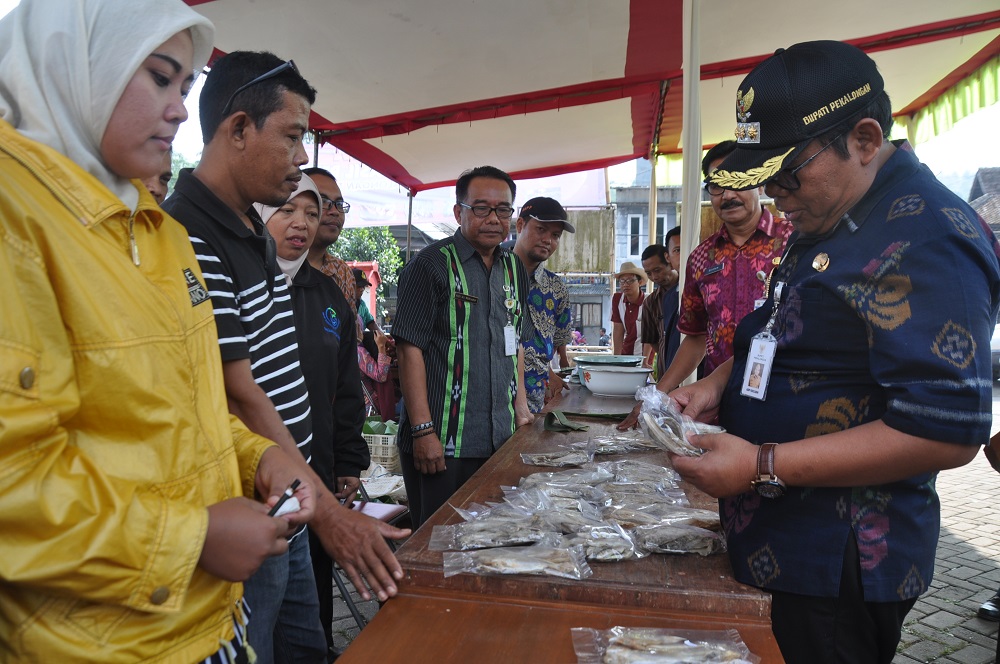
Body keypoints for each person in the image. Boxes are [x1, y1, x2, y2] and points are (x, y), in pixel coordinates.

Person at [0, 2, 314, 661]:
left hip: (203, 625)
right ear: (79, 67)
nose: (178, 110)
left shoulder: (155, 227)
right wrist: (191, 538)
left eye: (185, 86)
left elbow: (188, 404)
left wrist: (258, 456)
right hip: (94, 642)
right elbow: (12, 481)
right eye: (159, 77)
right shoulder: (15, 220)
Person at [673, 40, 1000, 664]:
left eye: (788, 171)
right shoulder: (836, 213)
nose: (775, 191)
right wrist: (716, 384)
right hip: (781, 539)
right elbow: (787, 331)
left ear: (865, 139)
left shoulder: (929, 237)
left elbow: (945, 430)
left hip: (835, 557)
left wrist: (761, 463)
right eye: (765, 174)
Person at [162, 50, 407, 663]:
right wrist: (326, 513)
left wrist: (317, 491)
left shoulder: (251, 230)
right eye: (293, 136)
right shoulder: (187, 234)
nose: (302, 158)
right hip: (248, 506)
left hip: (289, 492)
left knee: (305, 645)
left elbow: (281, 372)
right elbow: (238, 394)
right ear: (239, 129)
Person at [254, 174, 371, 657]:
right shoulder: (246, 288)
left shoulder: (327, 296)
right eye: (287, 211)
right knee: (257, 616)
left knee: (311, 607)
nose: (301, 223)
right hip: (254, 482)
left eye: (310, 213)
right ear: (260, 216)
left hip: (317, 473)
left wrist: (348, 460)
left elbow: (346, 388)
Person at [393, 165, 534, 526]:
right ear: (459, 212)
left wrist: (520, 410)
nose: (494, 218)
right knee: (438, 541)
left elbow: (515, 342)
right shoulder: (431, 265)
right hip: (442, 442)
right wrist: (423, 431)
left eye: (503, 209)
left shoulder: (514, 268)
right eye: (481, 208)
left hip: (501, 438)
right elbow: (409, 350)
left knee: (493, 538)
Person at [617, 141, 793, 430]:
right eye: (717, 185)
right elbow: (696, 337)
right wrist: (657, 396)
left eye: (738, 179)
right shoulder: (700, 258)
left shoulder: (794, 242)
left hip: (786, 399)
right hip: (719, 405)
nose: (728, 194)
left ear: (760, 182)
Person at [512, 196, 575, 413]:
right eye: (541, 229)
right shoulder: (492, 274)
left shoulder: (557, 288)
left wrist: (551, 373)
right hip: (494, 399)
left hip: (537, 401)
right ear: (520, 225)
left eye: (555, 235)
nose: (548, 240)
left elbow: (557, 340)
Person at [303, 167, 358, 324]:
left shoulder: (342, 272)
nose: (335, 211)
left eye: (339, 204)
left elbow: (351, 334)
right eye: (323, 201)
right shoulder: (271, 264)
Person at [640, 230, 682, 375]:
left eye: (657, 270)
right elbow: (652, 339)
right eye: (649, 273)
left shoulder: (690, 291)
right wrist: (668, 352)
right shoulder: (650, 303)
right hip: (666, 370)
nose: (654, 277)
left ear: (669, 261)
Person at [610, 262, 646, 355]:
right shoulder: (617, 299)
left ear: (640, 282)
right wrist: (617, 358)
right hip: (625, 353)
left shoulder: (648, 301)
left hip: (643, 354)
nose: (625, 284)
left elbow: (652, 333)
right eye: (622, 281)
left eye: (630, 280)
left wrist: (646, 359)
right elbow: (618, 329)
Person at [354, 267, 381, 334]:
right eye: (359, 286)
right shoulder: (343, 304)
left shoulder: (362, 305)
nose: (362, 289)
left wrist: (381, 336)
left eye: (363, 286)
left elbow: (371, 323)